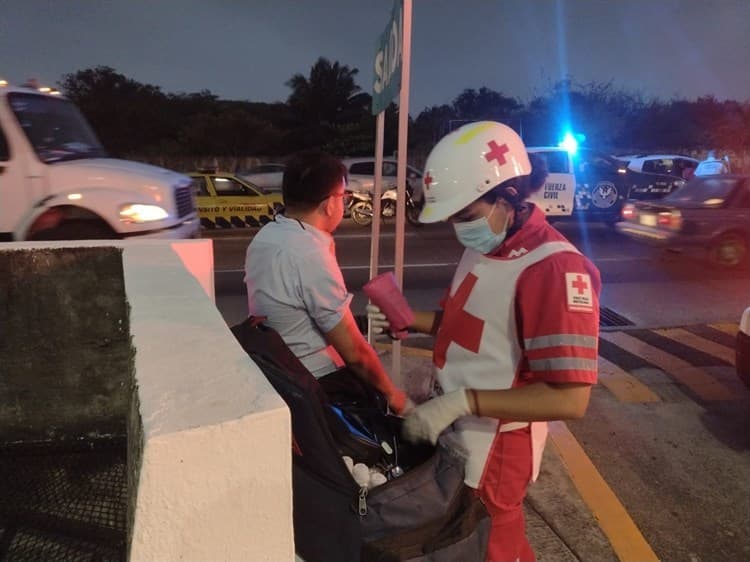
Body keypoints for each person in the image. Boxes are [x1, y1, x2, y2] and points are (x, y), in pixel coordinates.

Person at [367, 121, 601, 562]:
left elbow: (570, 399)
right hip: (458, 430)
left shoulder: (555, 268)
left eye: (466, 215)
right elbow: (469, 326)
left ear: (509, 196)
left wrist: (461, 402)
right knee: (465, 540)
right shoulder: (487, 244)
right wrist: (406, 321)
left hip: (495, 448)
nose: (460, 228)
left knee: (487, 543)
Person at [244, 149, 409, 413]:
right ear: (329, 204)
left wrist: (370, 324)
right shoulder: (308, 252)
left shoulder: (267, 235)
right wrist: (396, 398)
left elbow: (308, 314)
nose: (343, 203)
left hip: (279, 368)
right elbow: (356, 355)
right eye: (343, 196)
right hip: (315, 383)